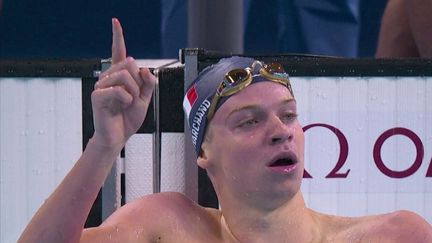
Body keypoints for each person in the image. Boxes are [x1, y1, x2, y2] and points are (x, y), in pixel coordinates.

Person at [18, 18, 432, 243]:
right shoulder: (168, 226)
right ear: (205, 153)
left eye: (288, 115)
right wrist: (105, 144)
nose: (279, 131)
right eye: (248, 121)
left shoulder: (393, 235)